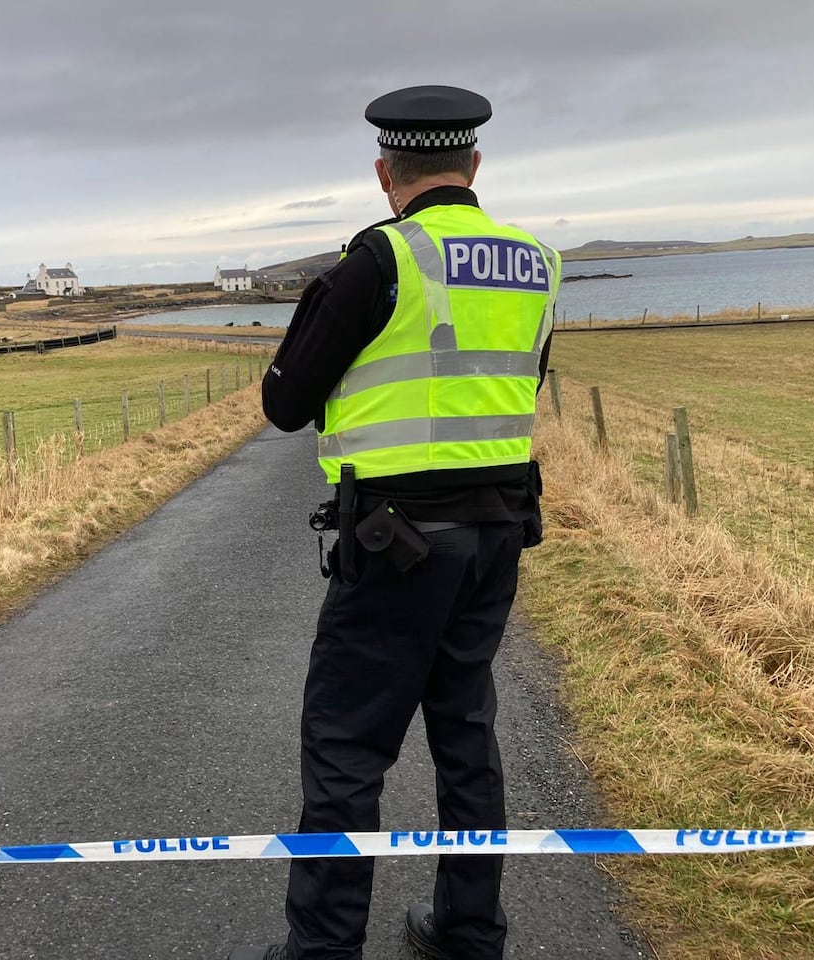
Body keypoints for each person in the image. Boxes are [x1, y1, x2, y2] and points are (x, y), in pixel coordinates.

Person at [231, 86, 560, 960]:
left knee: (345, 749)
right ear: (475, 166)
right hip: (498, 535)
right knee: (466, 735)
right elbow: (521, 379)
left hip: (395, 542)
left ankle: (325, 950)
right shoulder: (538, 261)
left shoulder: (380, 260)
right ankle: (468, 933)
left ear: (385, 172)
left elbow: (285, 403)